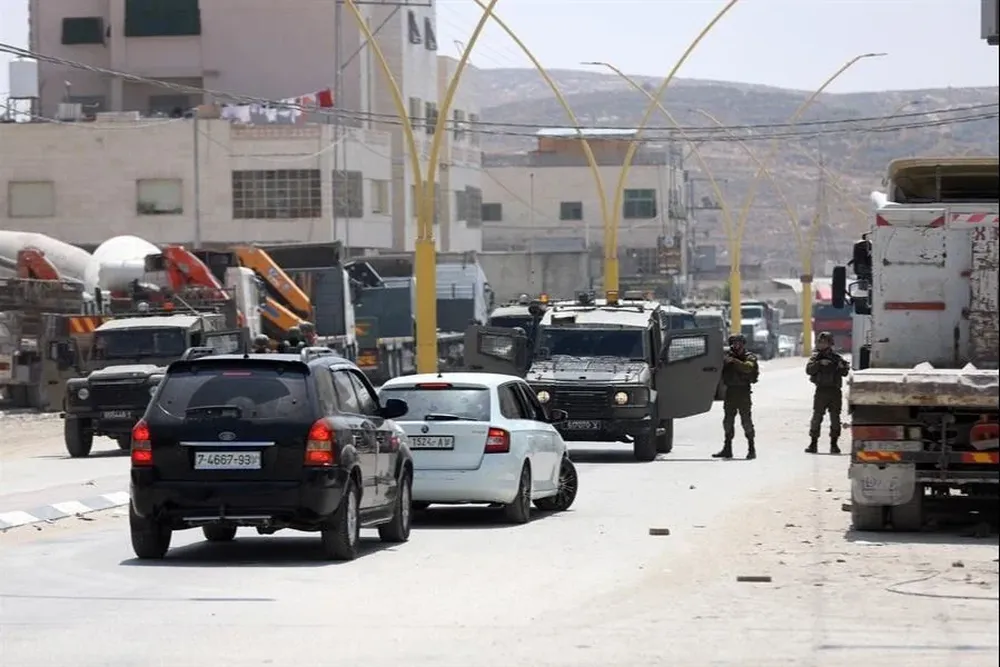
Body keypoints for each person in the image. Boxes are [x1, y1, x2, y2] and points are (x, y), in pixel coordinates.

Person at [713, 333, 759, 460]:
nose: (736, 345)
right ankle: (727, 448)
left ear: (743, 344)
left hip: (743, 393)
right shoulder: (727, 357)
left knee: (746, 421)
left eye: (739, 343)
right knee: (728, 421)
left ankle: (751, 448)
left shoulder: (749, 357)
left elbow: (748, 368)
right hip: (730, 392)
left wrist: (734, 361)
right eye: (734, 343)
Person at [805, 331, 850, 454]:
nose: (821, 344)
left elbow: (845, 372)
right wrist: (819, 364)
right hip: (821, 391)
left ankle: (834, 444)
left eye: (823, 342)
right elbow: (809, 370)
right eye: (819, 342)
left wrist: (841, 366)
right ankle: (813, 443)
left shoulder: (836, 358)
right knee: (817, 417)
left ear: (830, 344)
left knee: (835, 418)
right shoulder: (816, 358)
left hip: (834, 391)